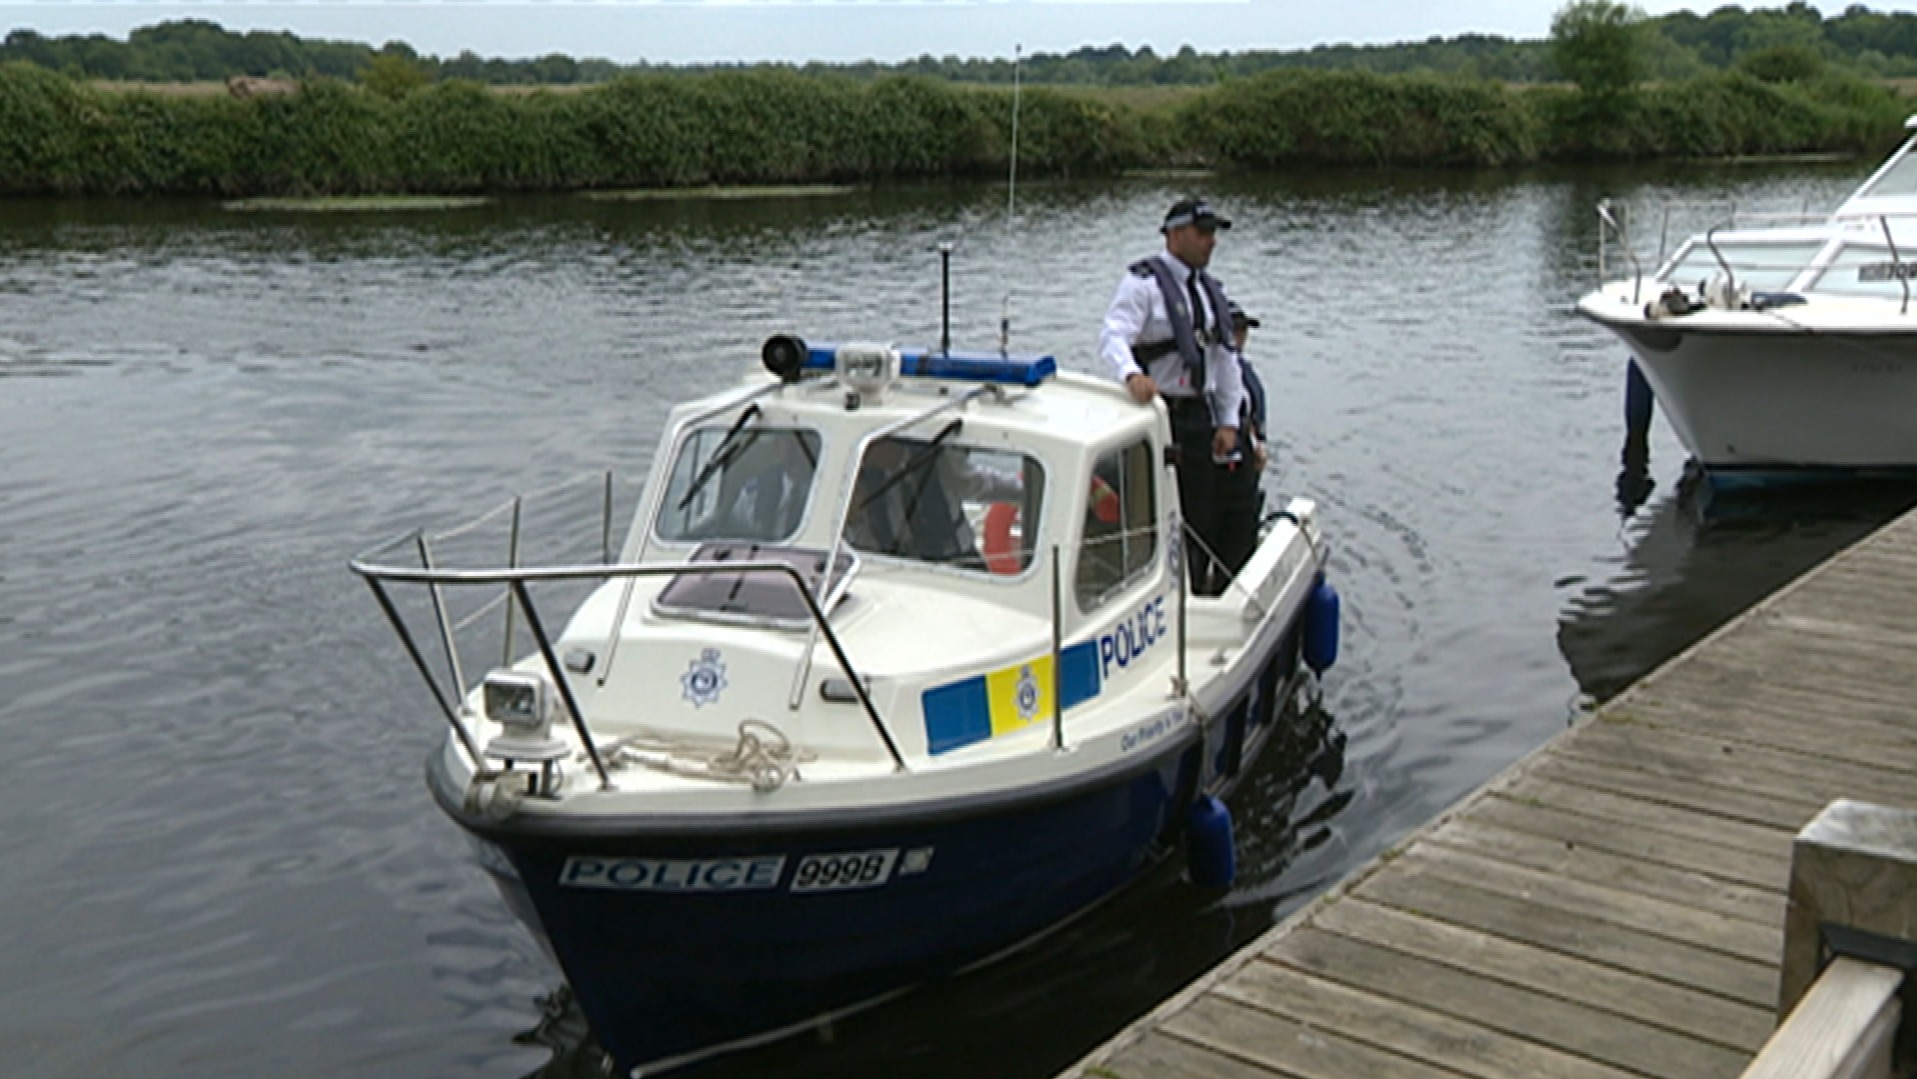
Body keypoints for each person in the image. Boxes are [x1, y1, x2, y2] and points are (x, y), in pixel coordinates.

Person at [1098, 197, 1248, 596]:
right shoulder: (1143, 285)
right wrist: (1131, 374)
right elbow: (1113, 334)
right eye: (1202, 233)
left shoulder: (1211, 293)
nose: (1210, 242)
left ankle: (1195, 589)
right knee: (1150, 509)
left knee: (1201, 512)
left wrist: (1229, 420)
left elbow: (1225, 360)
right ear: (1176, 234)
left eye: (1213, 234)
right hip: (1156, 412)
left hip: (1198, 416)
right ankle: (1145, 586)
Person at [1211, 302, 1269, 590]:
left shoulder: (1246, 373)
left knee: (1240, 538)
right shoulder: (1210, 373)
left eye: (1243, 330)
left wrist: (1261, 443)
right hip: (1215, 470)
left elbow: (1256, 411)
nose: (1241, 337)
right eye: (1235, 330)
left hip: (1243, 462)